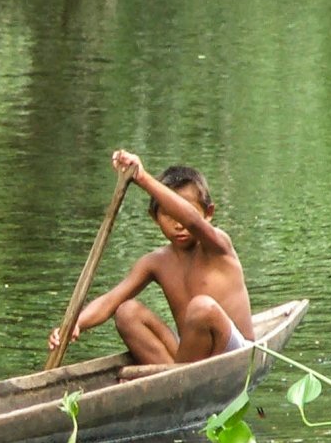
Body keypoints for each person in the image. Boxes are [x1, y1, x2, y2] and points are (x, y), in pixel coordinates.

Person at [48, 149, 255, 365]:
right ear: (154, 218)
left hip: (234, 351)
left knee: (202, 307)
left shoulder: (218, 245)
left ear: (208, 213)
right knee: (127, 312)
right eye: (168, 214)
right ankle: (173, 378)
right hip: (190, 357)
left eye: (182, 213)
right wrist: (74, 324)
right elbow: (110, 301)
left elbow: (192, 221)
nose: (179, 224)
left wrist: (142, 177)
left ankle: (174, 379)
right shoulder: (156, 262)